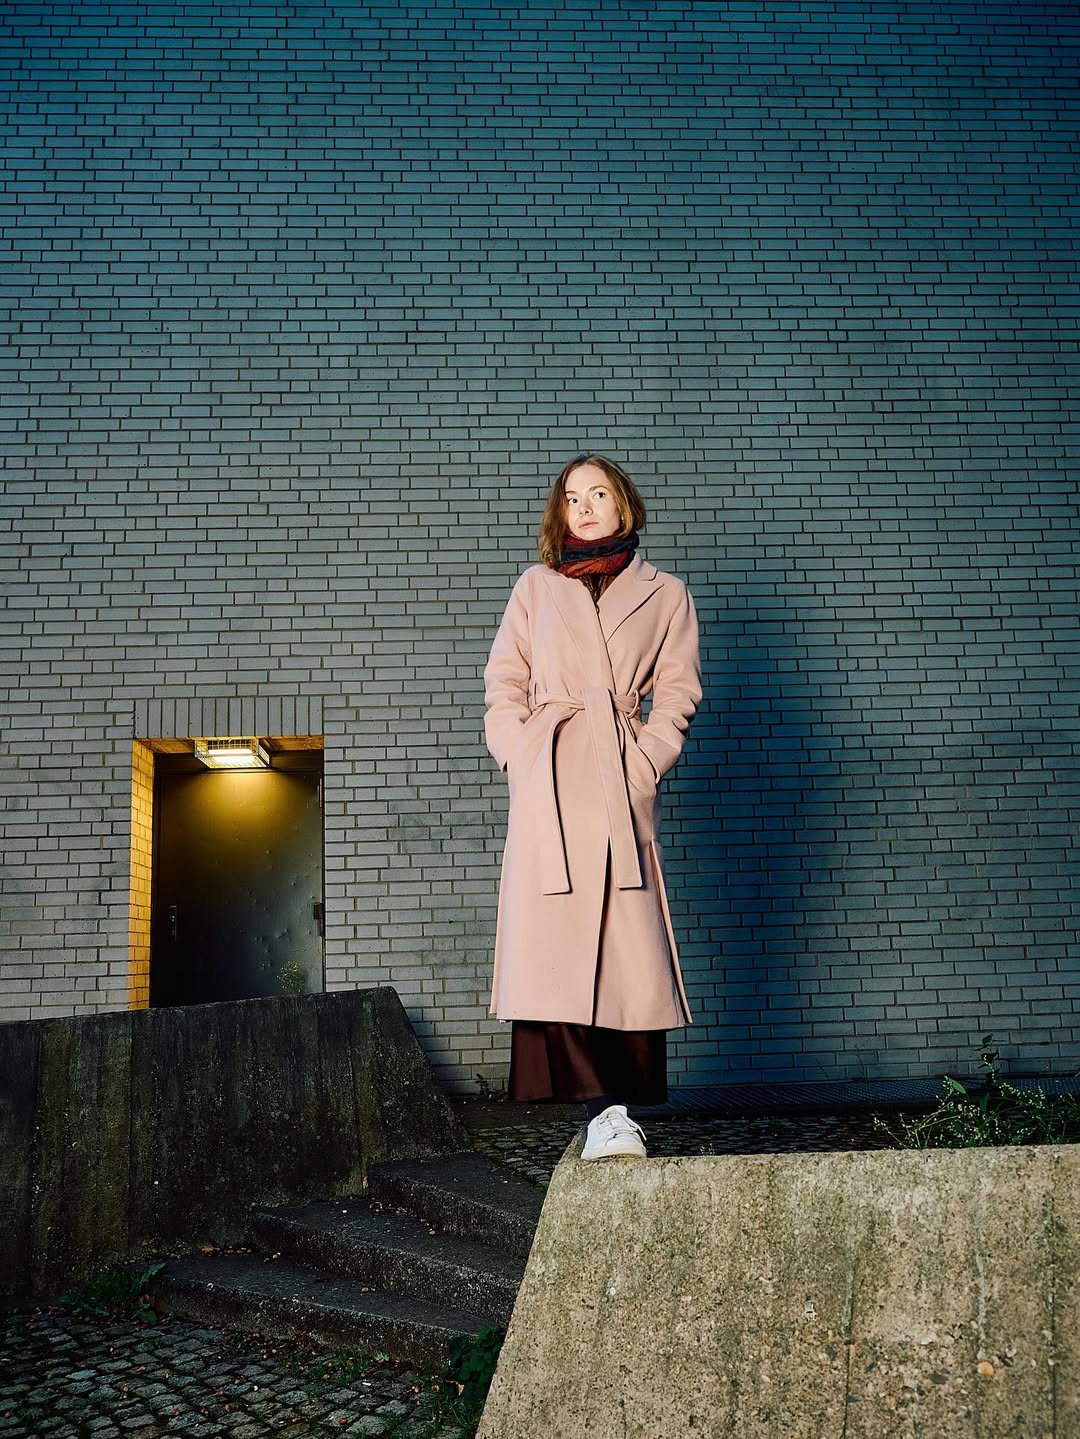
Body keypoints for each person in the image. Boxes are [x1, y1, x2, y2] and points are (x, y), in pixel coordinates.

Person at [483, 453, 703, 1161]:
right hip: (549, 778)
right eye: (572, 496)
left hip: (617, 777)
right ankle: (602, 1114)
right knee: (556, 950)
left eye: (598, 493)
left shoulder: (666, 594)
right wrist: (519, 754)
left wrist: (645, 762)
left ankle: (613, 1109)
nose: (584, 506)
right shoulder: (535, 587)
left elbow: (678, 690)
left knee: (620, 951)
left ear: (623, 504)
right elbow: (503, 682)